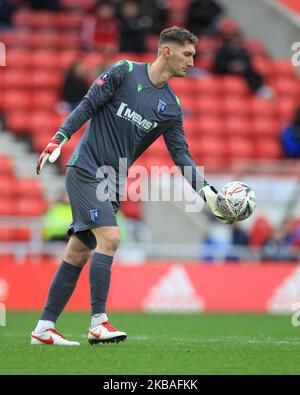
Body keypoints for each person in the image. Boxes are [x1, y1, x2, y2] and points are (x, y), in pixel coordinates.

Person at [32, 26, 231, 346]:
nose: (192, 63)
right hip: (86, 169)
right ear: (167, 50)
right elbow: (86, 104)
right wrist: (59, 138)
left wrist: (208, 194)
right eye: (188, 54)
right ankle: (98, 322)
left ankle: (44, 327)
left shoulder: (171, 106)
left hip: (113, 182)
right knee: (110, 237)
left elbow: (182, 156)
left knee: (79, 252)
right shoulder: (124, 72)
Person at [213, 32, 275, 99]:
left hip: (243, 71)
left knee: (255, 74)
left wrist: (241, 66)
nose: (237, 42)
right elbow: (218, 64)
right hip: (227, 72)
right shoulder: (224, 51)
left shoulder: (242, 52)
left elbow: (248, 63)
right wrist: (231, 66)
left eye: (238, 40)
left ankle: (259, 90)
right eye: (235, 40)